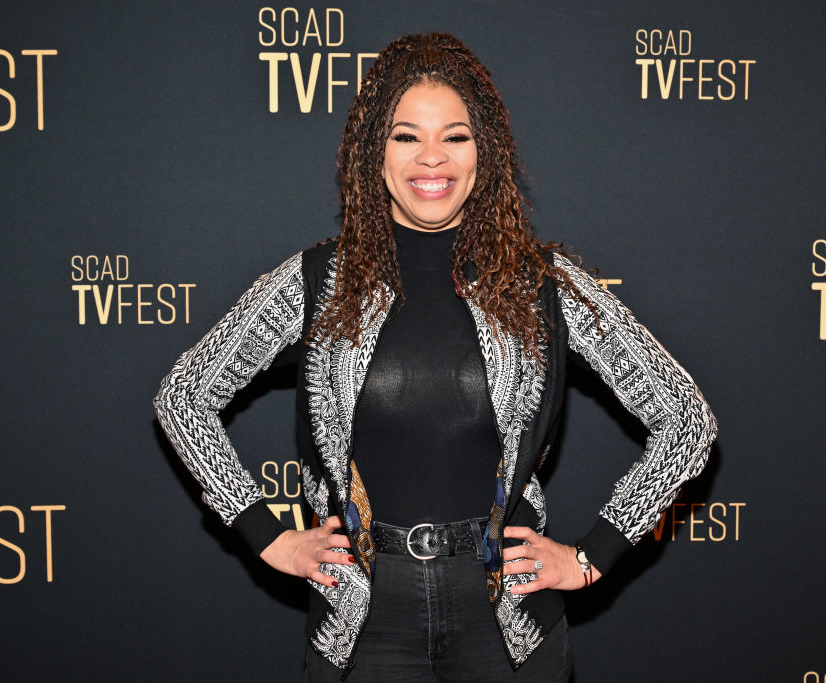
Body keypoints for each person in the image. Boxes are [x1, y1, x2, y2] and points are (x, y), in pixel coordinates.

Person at [154, 32, 716, 682]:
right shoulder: (318, 281)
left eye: (455, 136)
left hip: (511, 620)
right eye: (405, 136)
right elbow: (184, 396)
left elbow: (686, 419)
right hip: (361, 621)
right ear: (375, 154)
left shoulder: (541, 283)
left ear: (486, 152)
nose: (431, 158)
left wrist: (590, 557)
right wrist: (266, 534)